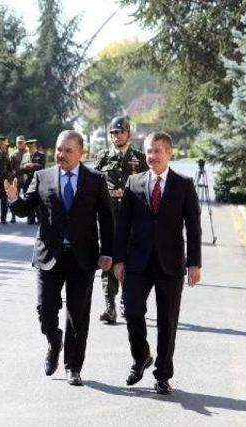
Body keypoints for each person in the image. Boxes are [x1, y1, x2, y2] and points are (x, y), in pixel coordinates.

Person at [6, 130, 113, 386]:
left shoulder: (95, 180)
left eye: (67, 150)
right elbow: (24, 210)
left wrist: (108, 252)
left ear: (81, 153)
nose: (61, 155)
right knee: (45, 309)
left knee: (78, 315)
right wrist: (13, 198)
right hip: (48, 256)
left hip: (82, 258)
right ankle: (55, 342)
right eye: (58, 149)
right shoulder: (41, 177)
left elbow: (108, 218)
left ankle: (73, 367)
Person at [113, 131, 201, 395]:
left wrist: (194, 264)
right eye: (149, 151)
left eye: (158, 151)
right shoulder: (134, 182)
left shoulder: (183, 184)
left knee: (167, 320)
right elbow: (123, 225)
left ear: (169, 153)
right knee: (132, 311)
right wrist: (118, 259)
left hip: (171, 264)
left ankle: (162, 374)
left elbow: (193, 228)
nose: (152, 156)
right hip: (137, 262)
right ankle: (141, 357)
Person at [95, 116, 148, 324]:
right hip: (109, 217)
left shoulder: (139, 158)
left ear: (128, 134)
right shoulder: (103, 157)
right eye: (113, 133)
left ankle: (127, 300)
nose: (117, 136)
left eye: (120, 132)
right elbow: (95, 188)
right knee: (107, 260)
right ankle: (110, 306)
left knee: (130, 260)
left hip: (132, 218)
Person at [21, 139, 46, 225]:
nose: (30, 149)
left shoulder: (41, 155)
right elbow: (21, 168)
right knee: (27, 199)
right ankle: (30, 219)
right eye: (28, 147)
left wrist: (33, 165)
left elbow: (42, 167)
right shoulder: (25, 156)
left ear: (34, 146)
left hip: (37, 180)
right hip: (27, 181)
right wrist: (26, 167)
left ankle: (39, 218)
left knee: (37, 200)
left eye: (31, 147)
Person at [8, 135, 28, 223]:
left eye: (21, 142)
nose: (19, 144)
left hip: (27, 179)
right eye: (18, 142)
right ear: (16, 144)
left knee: (28, 197)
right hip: (17, 180)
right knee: (14, 197)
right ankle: (13, 216)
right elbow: (9, 168)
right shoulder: (13, 155)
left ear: (25, 143)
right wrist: (10, 179)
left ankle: (29, 216)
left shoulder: (29, 153)